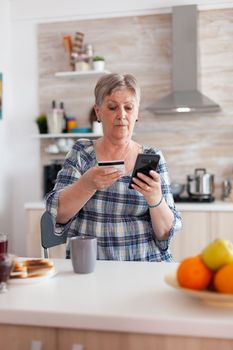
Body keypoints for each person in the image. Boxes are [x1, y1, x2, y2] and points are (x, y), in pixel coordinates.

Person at [46, 73, 182, 261]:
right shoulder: (82, 153)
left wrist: (155, 199)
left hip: (145, 265)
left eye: (128, 107)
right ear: (98, 111)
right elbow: (57, 215)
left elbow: (165, 233)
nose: (122, 115)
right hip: (91, 266)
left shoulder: (152, 158)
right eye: (112, 107)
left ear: (137, 113)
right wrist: (86, 185)